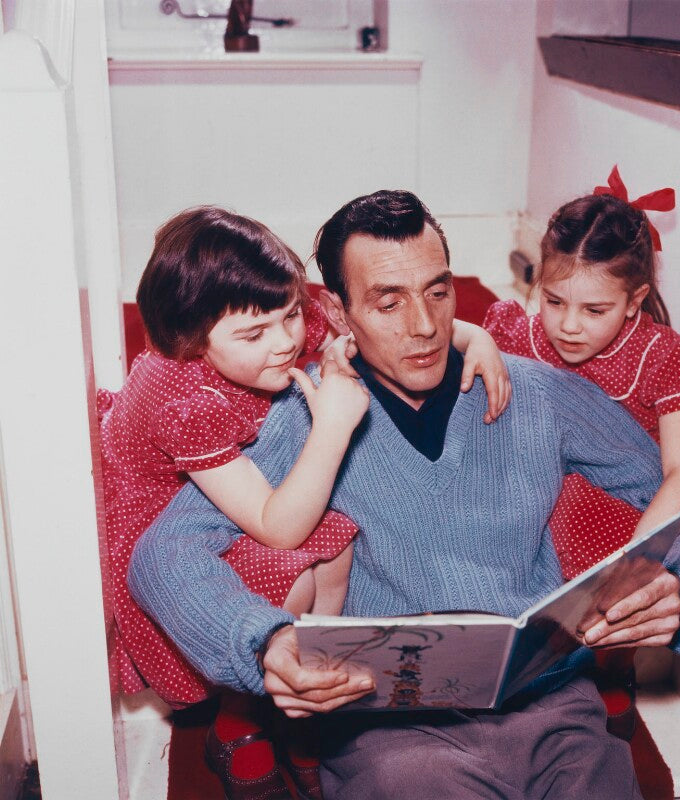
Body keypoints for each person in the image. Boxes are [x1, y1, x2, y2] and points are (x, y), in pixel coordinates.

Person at [128, 190, 680, 800]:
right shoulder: (305, 417)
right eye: (388, 303)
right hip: (392, 732)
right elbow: (162, 557)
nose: (423, 327)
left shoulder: (536, 392)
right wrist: (262, 640)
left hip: (557, 713)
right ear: (339, 314)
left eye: (438, 292)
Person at [100, 205, 510, 798]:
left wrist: (474, 334)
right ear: (191, 340)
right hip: (176, 514)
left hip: (253, 481)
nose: (286, 341)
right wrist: (333, 427)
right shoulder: (181, 399)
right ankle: (239, 722)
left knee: (336, 547)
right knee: (288, 579)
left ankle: (308, 703)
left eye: (290, 315)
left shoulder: (283, 326)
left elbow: (373, 325)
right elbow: (278, 528)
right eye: (254, 334)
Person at [482, 167, 680, 735]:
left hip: (620, 505)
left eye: (594, 310)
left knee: (584, 521)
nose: (568, 326)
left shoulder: (663, 354)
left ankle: (611, 666)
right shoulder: (515, 333)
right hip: (531, 480)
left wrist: (638, 558)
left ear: (635, 302)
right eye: (553, 301)